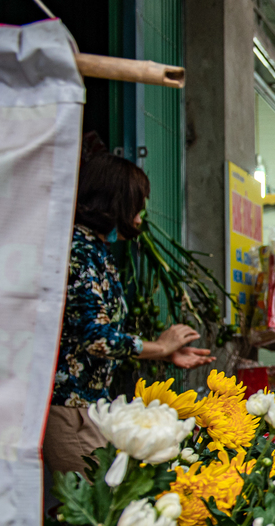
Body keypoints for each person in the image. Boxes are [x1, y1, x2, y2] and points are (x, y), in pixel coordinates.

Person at [44, 142, 213, 476]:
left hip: (89, 407)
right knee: (99, 510)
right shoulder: (79, 251)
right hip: (69, 409)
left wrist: (162, 354)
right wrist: (159, 346)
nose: (141, 214)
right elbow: (97, 338)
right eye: (137, 204)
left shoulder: (97, 249)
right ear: (116, 203)